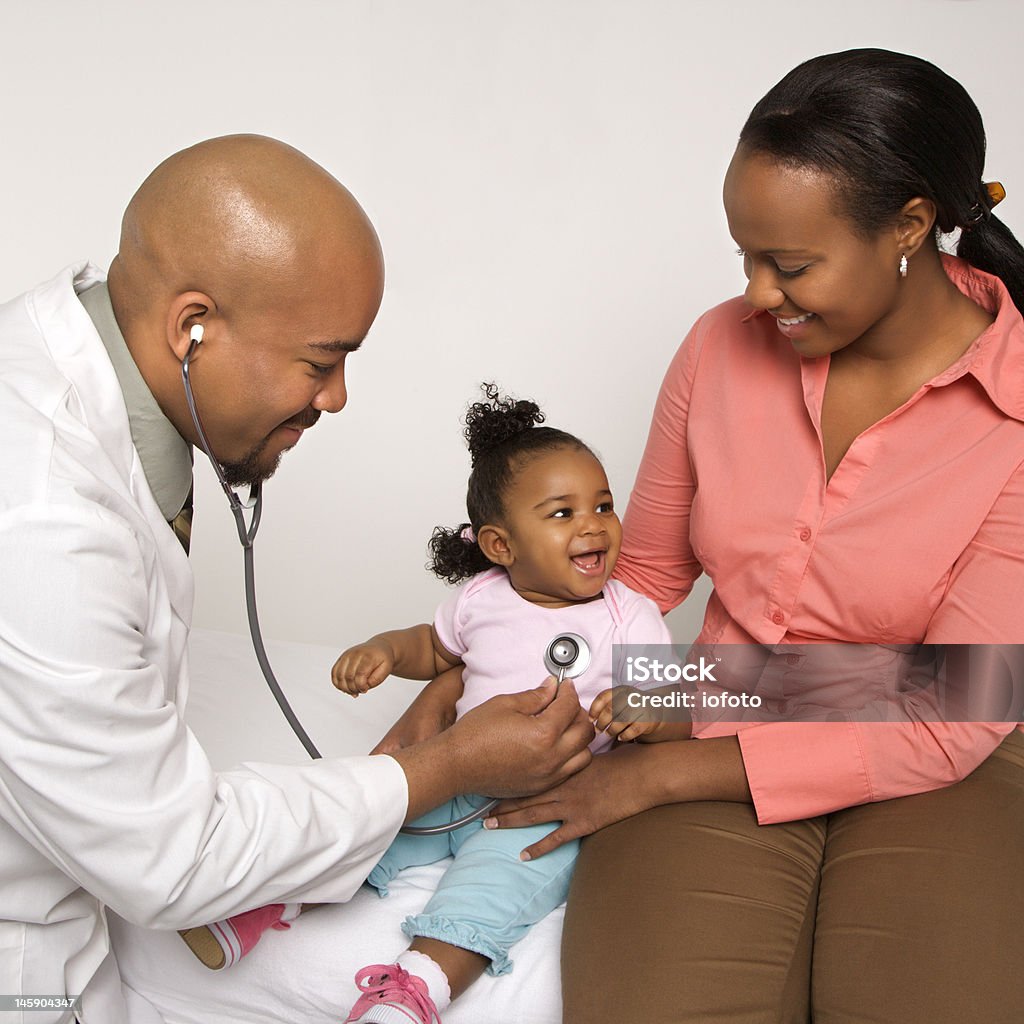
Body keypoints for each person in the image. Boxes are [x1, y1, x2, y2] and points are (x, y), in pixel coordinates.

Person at [389, 49, 1024, 1022]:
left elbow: (957, 698)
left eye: (792, 263)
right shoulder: (722, 345)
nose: (758, 294)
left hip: (949, 753)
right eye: (745, 255)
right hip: (710, 697)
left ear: (906, 225)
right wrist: (470, 673)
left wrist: (665, 764)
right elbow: (630, 578)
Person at [0, 136, 595, 1024]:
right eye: (321, 362)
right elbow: (172, 857)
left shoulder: (87, 363)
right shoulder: (42, 521)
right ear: (190, 327)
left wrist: (661, 759)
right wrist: (441, 765)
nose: (339, 397)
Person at [180, 384, 684, 1023]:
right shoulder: (483, 598)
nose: (593, 524)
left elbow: (676, 708)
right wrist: (387, 650)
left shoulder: (629, 614)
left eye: (604, 505)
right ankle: (264, 905)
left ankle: (417, 990)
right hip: (462, 773)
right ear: (501, 547)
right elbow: (437, 649)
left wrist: (650, 712)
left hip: (545, 801)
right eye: (562, 513)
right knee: (372, 831)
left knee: (492, 892)